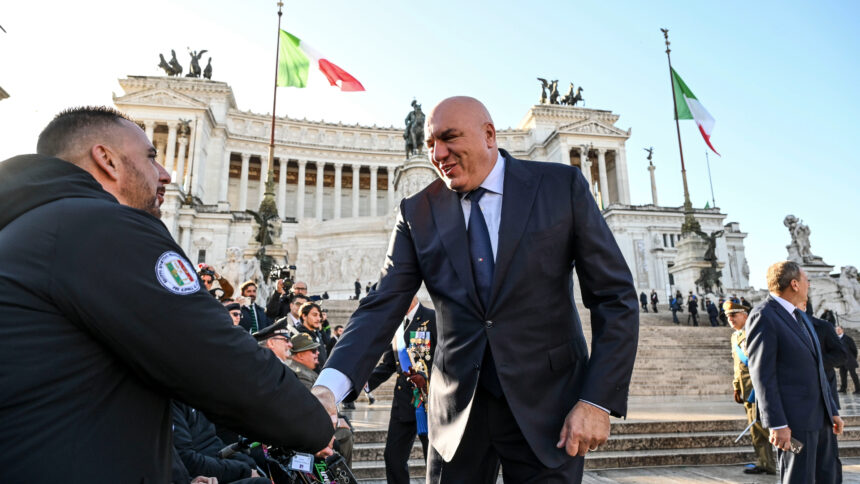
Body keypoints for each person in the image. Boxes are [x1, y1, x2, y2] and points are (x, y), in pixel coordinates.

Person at [313, 96, 638, 483]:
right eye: (431, 143)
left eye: (449, 139)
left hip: (550, 407)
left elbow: (614, 297)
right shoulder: (417, 212)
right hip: (457, 414)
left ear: (489, 135)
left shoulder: (559, 187)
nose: (438, 154)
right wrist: (328, 389)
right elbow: (382, 305)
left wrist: (597, 399)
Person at [0, 106, 333, 482]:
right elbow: (212, 357)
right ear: (106, 160)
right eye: (151, 157)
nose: (166, 173)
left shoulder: (30, 232)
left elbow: (101, 406)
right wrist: (315, 420)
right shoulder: (104, 229)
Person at [746, 261, 843, 483]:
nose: (810, 285)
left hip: (821, 420)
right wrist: (777, 424)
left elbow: (817, 368)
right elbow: (762, 375)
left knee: (828, 476)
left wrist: (831, 410)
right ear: (795, 284)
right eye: (807, 280)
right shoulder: (764, 316)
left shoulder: (801, 318)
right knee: (799, 478)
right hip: (794, 424)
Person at [365, 297, 437, 484]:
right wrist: (363, 383)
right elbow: (389, 363)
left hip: (431, 403)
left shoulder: (434, 318)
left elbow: (447, 358)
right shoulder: (397, 325)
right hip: (404, 403)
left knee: (436, 461)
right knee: (393, 458)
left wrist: (427, 379)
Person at [725, 300, 775, 475]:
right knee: (756, 428)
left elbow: (762, 362)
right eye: (728, 316)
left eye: (734, 315)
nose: (730, 319)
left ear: (745, 316)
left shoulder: (754, 332)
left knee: (764, 426)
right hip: (746, 389)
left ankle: (794, 455)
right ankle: (765, 462)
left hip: (758, 388)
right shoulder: (735, 337)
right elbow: (738, 366)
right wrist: (736, 387)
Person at [289, 333, 355, 466]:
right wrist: (335, 422)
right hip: (308, 429)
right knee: (345, 434)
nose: (317, 353)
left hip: (312, 425)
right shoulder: (300, 373)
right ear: (300, 354)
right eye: (312, 351)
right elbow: (315, 406)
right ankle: (342, 476)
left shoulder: (305, 371)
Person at [171, 401, 269, 484]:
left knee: (266, 464)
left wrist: (246, 464)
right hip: (199, 473)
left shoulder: (198, 391)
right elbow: (188, 461)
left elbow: (213, 441)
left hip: (217, 459)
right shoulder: (170, 405)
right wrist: (243, 470)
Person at [297, 301, 331, 372]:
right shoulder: (299, 335)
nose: (319, 319)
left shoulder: (316, 333)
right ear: (304, 316)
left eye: (319, 316)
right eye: (315, 315)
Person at [836, 326, 860, 393]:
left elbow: (854, 349)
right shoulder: (836, 339)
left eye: (839, 329)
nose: (837, 331)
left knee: (853, 375)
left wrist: (853, 358)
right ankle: (843, 388)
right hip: (841, 360)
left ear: (842, 330)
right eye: (836, 330)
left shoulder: (848, 338)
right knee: (842, 375)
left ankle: (858, 389)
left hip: (849, 360)